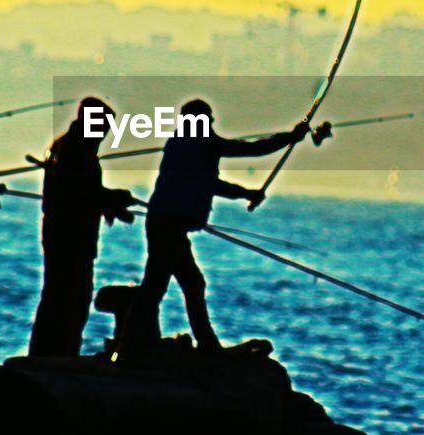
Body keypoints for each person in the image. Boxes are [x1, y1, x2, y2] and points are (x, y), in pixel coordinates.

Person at [121, 100, 309, 352]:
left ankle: (132, 346)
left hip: (163, 223)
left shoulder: (180, 143)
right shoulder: (203, 144)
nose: (210, 124)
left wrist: (246, 193)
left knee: (173, 284)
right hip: (169, 226)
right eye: (207, 120)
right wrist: (291, 137)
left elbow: (209, 183)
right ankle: (136, 347)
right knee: (173, 285)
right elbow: (252, 150)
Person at [28, 98, 136, 357]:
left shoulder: (68, 146)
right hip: (71, 238)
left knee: (59, 297)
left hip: (66, 236)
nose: (105, 133)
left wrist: (110, 205)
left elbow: (82, 193)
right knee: (68, 301)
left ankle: (50, 352)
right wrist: (115, 197)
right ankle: (58, 354)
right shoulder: (76, 150)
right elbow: (80, 193)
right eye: (103, 126)